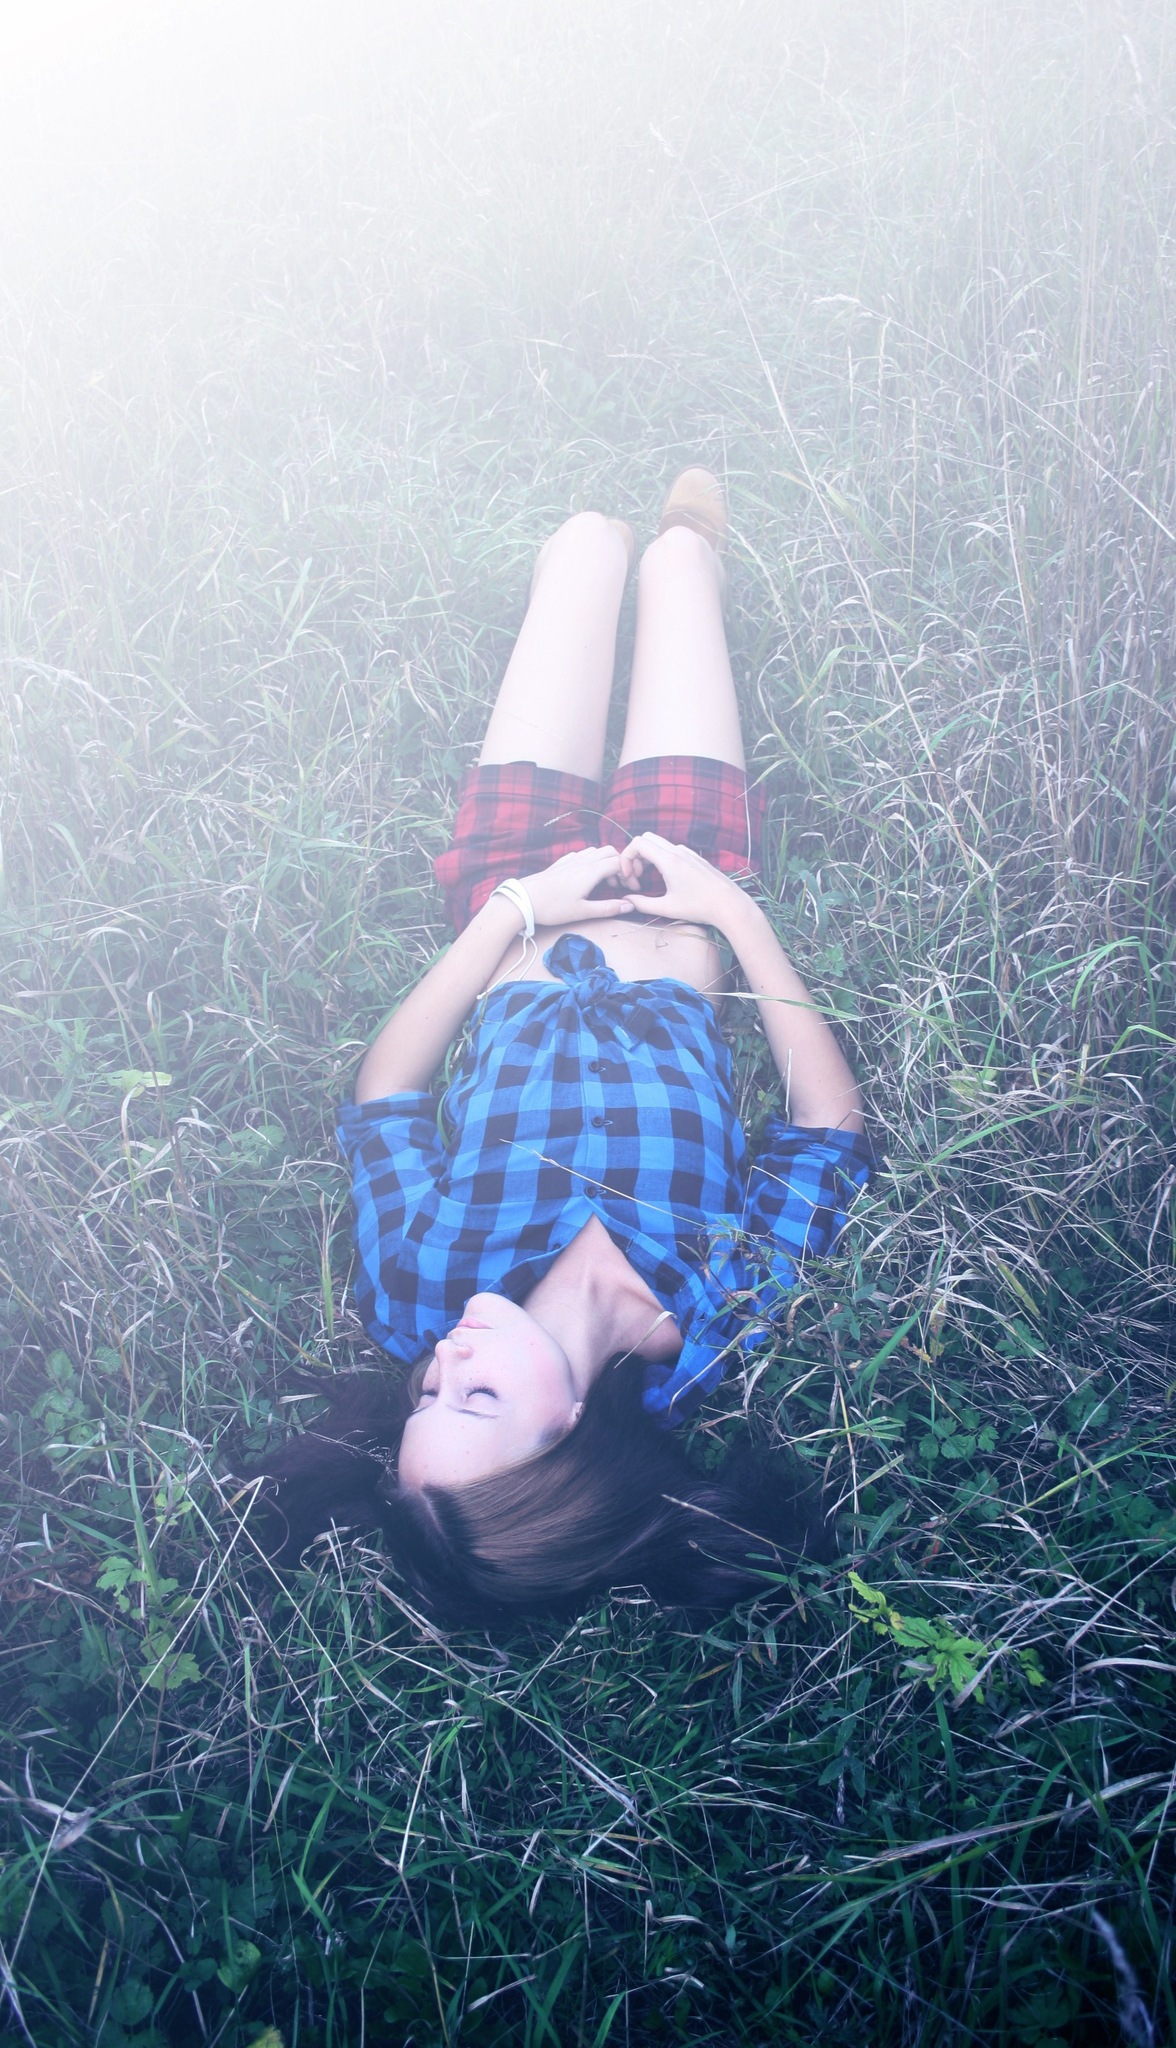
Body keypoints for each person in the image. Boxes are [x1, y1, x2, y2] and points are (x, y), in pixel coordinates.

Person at [254, 471, 872, 1621]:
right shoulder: (719, 1311)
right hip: (678, 881)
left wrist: (517, 909)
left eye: (426, 1396)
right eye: (475, 1399)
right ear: (570, 1433)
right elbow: (828, 1129)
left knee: (585, 545)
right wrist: (731, 912)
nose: (444, 1362)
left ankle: (611, 545)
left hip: (521, 891)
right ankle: (687, 543)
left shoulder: (418, 1288)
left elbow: (384, 1098)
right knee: (679, 563)